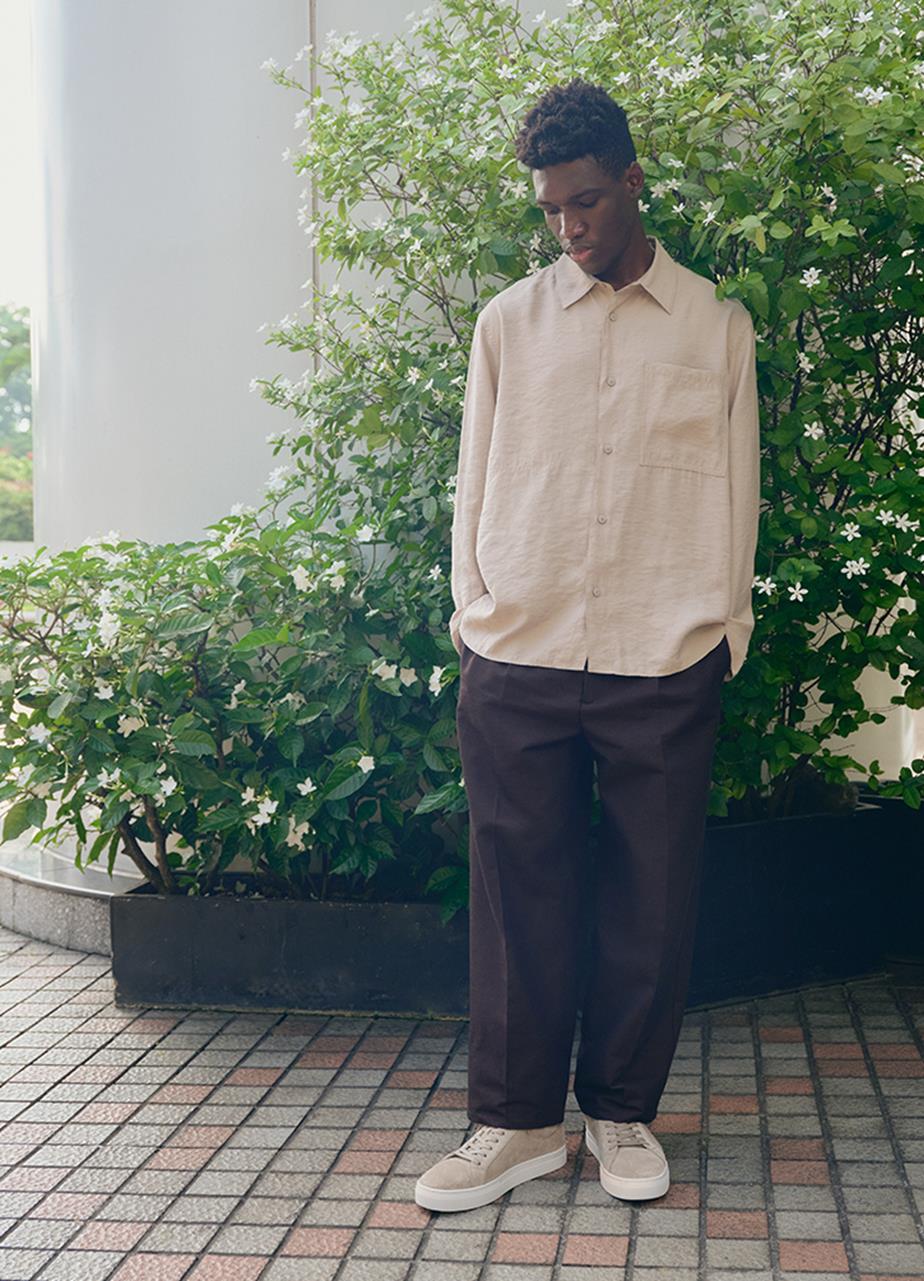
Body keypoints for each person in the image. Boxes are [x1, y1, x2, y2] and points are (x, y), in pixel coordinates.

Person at [415, 78, 760, 1214]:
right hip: (520, 649)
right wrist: (475, 610)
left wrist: (724, 628)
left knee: (651, 897)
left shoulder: (715, 325)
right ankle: (514, 1126)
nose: (569, 227)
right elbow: (477, 479)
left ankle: (619, 1113)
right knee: (520, 893)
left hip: (663, 653)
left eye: (586, 203)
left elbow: (738, 490)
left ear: (632, 182)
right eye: (552, 210)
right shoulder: (508, 324)